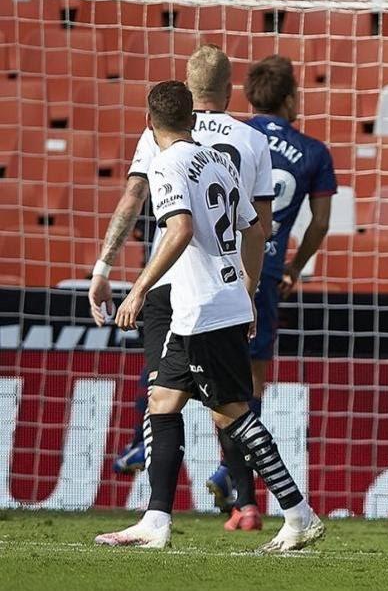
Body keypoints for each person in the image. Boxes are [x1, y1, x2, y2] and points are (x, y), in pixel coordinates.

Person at [94, 81, 323, 553]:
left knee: (232, 413)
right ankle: (155, 520)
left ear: (148, 121)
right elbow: (255, 228)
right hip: (216, 299)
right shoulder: (218, 160)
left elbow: (179, 229)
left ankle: (299, 513)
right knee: (162, 399)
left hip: (201, 305)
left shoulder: (166, 163)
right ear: (194, 120)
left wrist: (137, 289)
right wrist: (249, 295)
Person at [90, 45, 274, 485]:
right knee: (228, 403)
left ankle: (156, 492)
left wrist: (104, 268)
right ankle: (241, 493)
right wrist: (248, 291)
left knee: (164, 393)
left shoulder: (159, 133)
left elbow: (133, 199)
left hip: (168, 280)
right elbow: (260, 227)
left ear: (188, 89)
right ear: (231, 90)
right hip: (225, 287)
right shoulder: (252, 139)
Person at [203, 55, 336, 532]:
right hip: (261, 277)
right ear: (290, 98)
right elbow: (320, 223)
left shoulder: (232, 137)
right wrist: (295, 268)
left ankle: (244, 501)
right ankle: (242, 494)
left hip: (213, 269)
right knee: (250, 390)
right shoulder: (314, 151)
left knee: (214, 390)